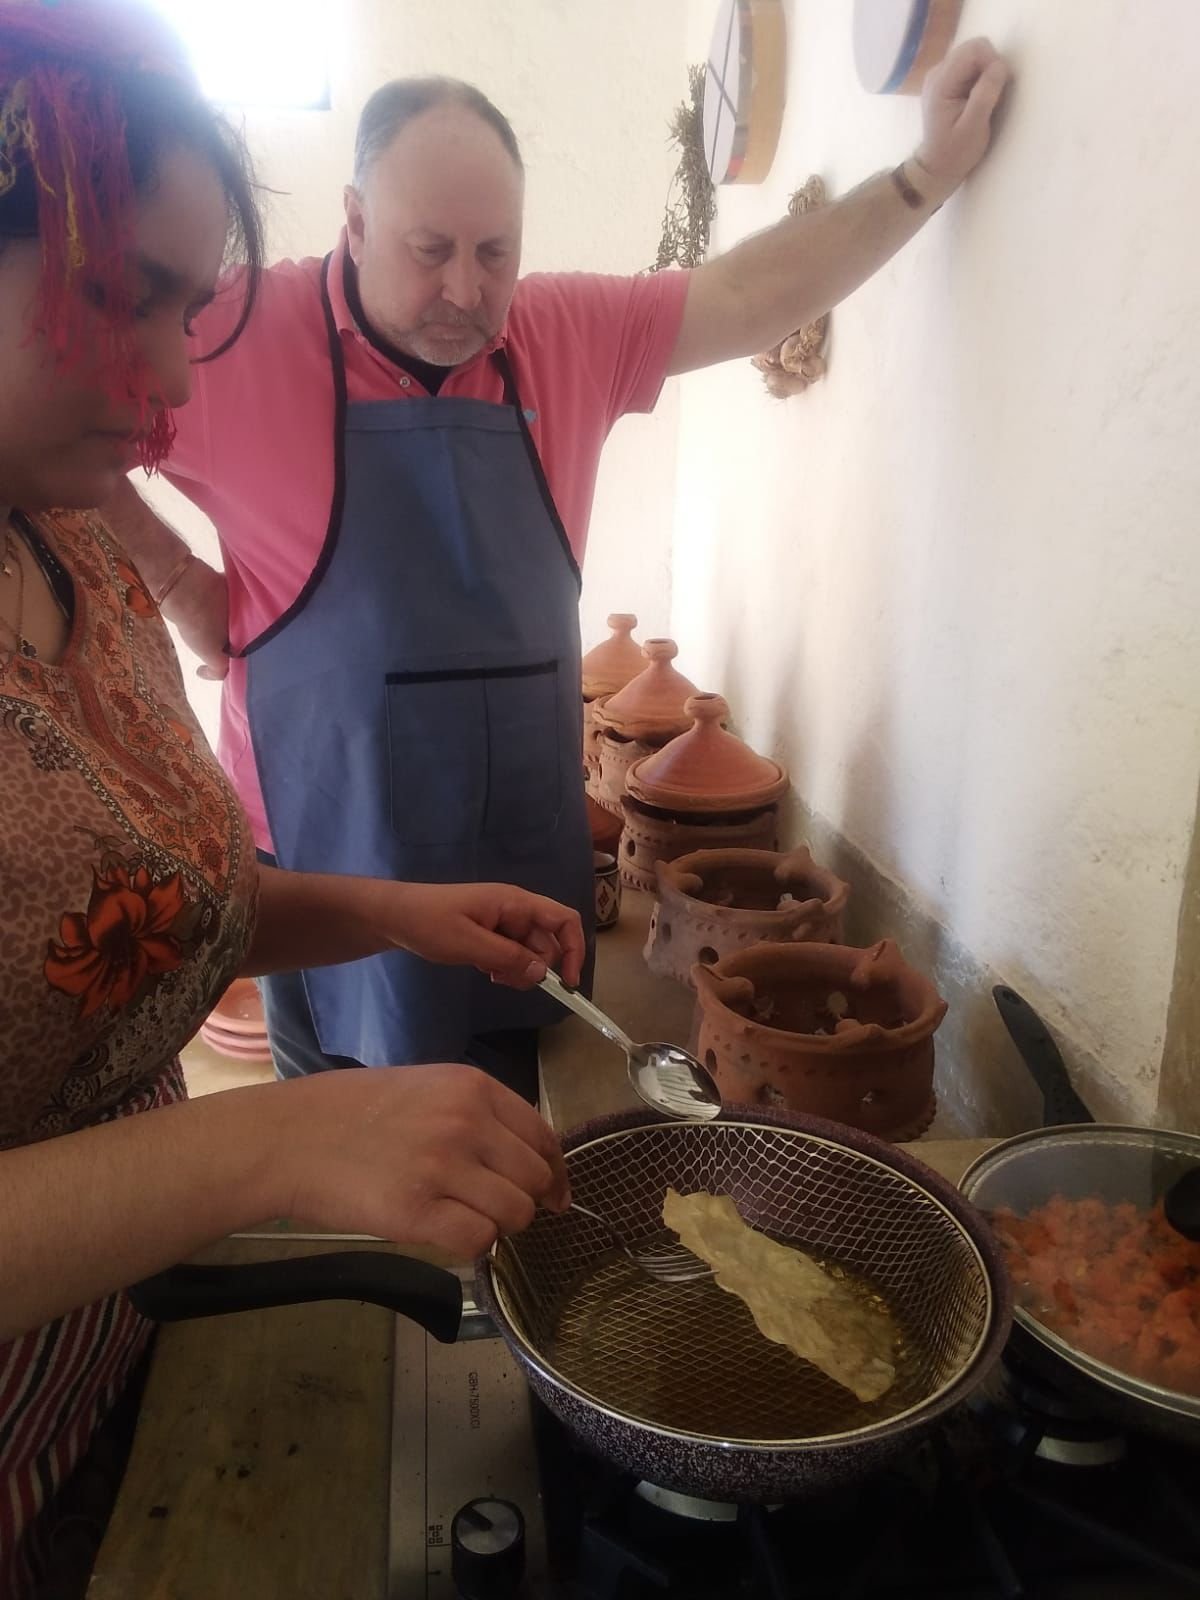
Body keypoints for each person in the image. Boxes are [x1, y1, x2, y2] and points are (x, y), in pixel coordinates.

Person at [107, 42, 1010, 1093]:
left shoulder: (559, 333)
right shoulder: (228, 334)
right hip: (324, 863)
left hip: (514, 859)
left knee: (505, 1130)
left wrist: (924, 175)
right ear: (352, 221)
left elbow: (750, 292)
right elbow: (46, 418)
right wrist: (173, 578)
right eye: (430, 249)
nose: (465, 288)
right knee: (350, 1141)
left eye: (496, 252)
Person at [0, 6, 583, 1593]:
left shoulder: (74, 545)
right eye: (118, 297)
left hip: (134, 1347)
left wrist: (394, 914)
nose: (167, 375)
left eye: (189, 309)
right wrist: (279, 1146)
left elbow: (129, 916)